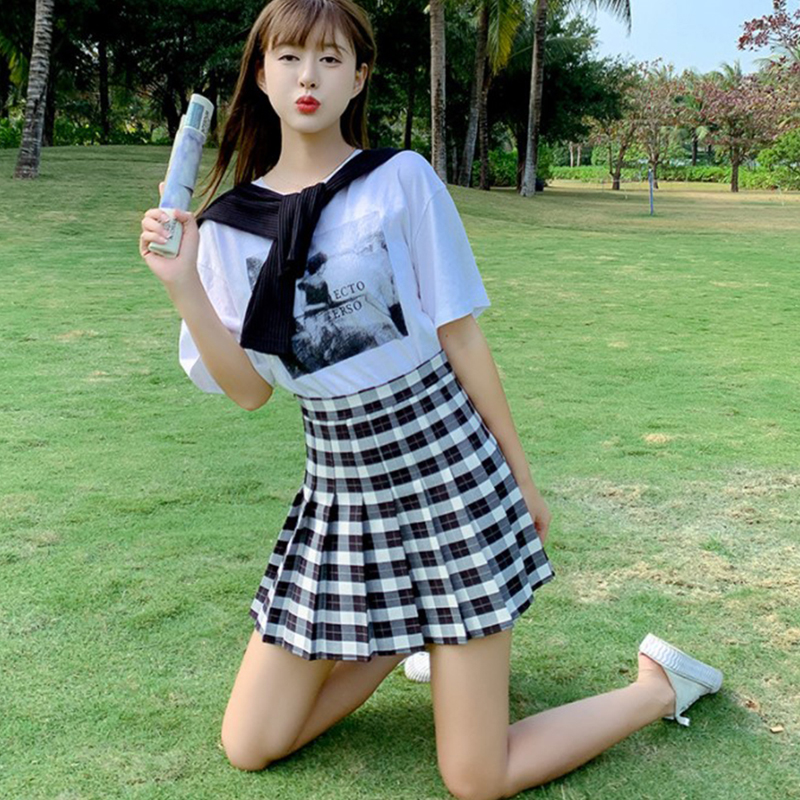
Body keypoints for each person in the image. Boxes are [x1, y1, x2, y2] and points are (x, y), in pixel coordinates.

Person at [138, 1, 723, 797]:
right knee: (249, 743)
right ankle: (400, 633)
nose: (309, 77)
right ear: (262, 75)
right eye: (290, 58)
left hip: (447, 472)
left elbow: (462, 339)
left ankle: (658, 685)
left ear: (359, 78)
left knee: (476, 776)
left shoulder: (399, 180)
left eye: (331, 59)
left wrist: (520, 478)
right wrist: (183, 284)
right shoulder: (228, 229)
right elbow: (248, 393)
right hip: (340, 491)